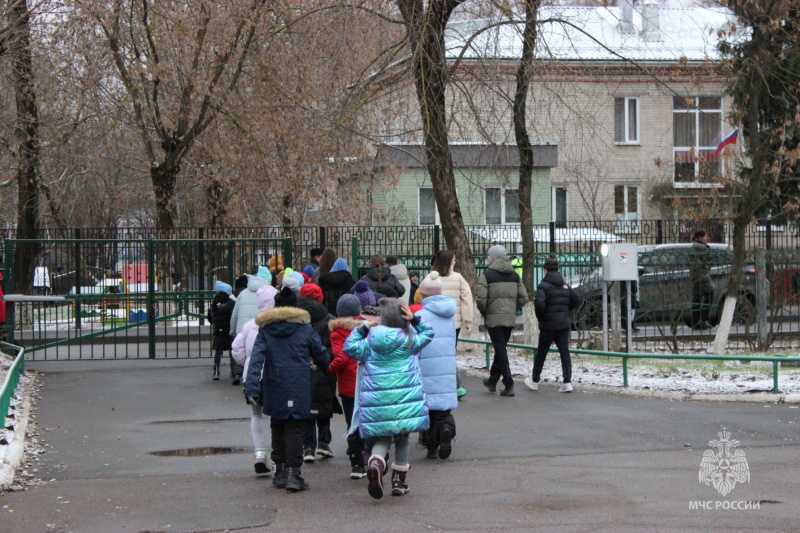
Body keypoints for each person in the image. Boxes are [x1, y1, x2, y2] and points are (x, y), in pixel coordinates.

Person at [343, 298, 433, 500]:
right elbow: (428, 334)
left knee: (382, 437)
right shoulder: (409, 340)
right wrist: (415, 320)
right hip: (405, 401)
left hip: (378, 401)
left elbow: (349, 348)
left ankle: (376, 462)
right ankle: (399, 481)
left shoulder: (371, 342)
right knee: (402, 438)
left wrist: (362, 329)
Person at [245, 287, 330, 493]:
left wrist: (252, 387)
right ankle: (294, 474)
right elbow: (320, 354)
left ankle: (280, 471)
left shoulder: (266, 330)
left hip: (274, 383)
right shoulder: (304, 329)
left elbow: (257, 359)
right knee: (296, 428)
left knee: (278, 424)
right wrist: (327, 367)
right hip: (298, 384)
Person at [231, 285, 276, 475]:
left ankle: (259, 452)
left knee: (256, 415)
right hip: (273, 376)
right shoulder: (278, 325)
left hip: (253, 376)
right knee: (276, 416)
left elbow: (236, 348)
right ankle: (277, 456)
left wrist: (246, 364)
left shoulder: (250, 325)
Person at [414, 272, 458, 460]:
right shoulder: (449, 315)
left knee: (428, 408)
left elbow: (414, 343)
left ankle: (431, 445)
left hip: (426, 366)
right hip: (446, 365)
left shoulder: (419, 316)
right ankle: (447, 428)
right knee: (443, 409)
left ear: (423, 295)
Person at [477, 245, 528, 397]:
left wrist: (486, 311)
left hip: (494, 318)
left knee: (500, 350)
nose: (488, 258)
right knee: (501, 349)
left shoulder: (486, 275)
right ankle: (492, 380)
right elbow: (524, 298)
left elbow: (481, 299)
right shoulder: (514, 276)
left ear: (492, 258)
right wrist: (512, 308)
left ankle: (508, 382)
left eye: (488, 255)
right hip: (509, 318)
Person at [524, 257, 582, 393]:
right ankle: (567, 382)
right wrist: (565, 311)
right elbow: (577, 299)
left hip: (548, 325)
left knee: (542, 352)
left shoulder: (543, 286)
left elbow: (539, 304)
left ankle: (534, 380)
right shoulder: (565, 285)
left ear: (545, 270)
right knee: (564, 352)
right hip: (562, 324)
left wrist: (542, 317)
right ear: (558, 269)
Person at [326, 294, 367, 479]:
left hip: (348, 385)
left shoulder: (338, 332)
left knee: (352, 423)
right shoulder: (367, 328)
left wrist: (329, 369)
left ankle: (357, 463)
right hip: (368, 382)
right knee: (369, 419)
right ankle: (372, 454)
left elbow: (341, 358)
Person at [426, 250, 474, 399]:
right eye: (453, 260)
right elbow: (466, 299)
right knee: (449, 353)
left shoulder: (430, 277)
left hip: (432, 321)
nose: (455, 262)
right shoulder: (458, 278)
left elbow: (421, 297)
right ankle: (457, 385)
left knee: (434, 353)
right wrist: (468, 321)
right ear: (448, 261)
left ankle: (446, 385)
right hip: (454, 323)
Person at [229, 267, 273, 384]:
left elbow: (235, 314)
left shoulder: (243, 293)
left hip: (243, 327)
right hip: (262, 325)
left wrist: (233, 330)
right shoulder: (270, 292)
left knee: (241, 347)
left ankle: (238, 373)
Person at [207, 281, 235, 381]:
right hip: (229, 329)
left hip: (218, 331)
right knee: (233, 350)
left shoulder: (214, 304)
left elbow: (210, 318)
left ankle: (216, 370)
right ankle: (234, 371)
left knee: (218, 351)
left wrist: (215, 324)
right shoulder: (229, 303)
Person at [690, 230, 714, 329]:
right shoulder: (701, 247)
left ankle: (696, 322)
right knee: (709, 296)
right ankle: (703, 320)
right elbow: (710, 258)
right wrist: (707, 264)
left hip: (696, 276)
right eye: (705, 236)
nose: (706, 238)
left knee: (697, 299)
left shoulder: (694, 245)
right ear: (700, 237)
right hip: (701, 276)